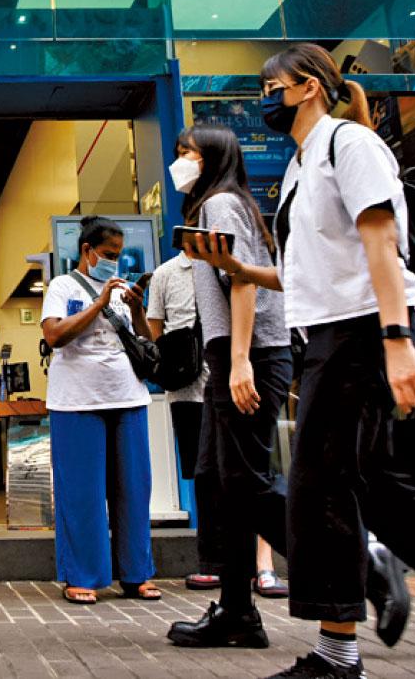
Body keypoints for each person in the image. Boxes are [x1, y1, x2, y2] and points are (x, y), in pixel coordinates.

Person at [190, 42, 415, 679]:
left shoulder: (351, 144)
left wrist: (397, 339)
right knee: (372, 485)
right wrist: (235, 267)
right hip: (327, 337)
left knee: (319, 486)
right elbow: (301, 275)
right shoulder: (299, 167)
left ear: (309, 86)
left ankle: (338, 655)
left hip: (364, 330)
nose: (264, 100)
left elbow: (381, 242)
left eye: (271, 88)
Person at [164, 123, 294, 650]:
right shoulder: (213, 207)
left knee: (244, 482)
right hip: (233, 354)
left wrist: (239, 361)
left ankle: (352, 564)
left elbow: (242, 280)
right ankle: (237, 610)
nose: (179, 162)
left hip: (251, 353)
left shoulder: (220, 204)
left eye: (188, 153)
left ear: (213, 158)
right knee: (219, 480)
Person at [40, 215, 159, 606]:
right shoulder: (62, 286)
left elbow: (146, 341)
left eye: (119, 254)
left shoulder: (121, 290)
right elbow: (54, 335)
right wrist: (99, 304)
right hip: (77, 400)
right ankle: (83, 575)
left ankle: (136, 574)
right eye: (108, 254)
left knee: (134, 490)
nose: (114, 261)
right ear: (87, 250)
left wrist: (136, 309)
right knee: (82, 492)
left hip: (128, 396)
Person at [146, 246, 221, 591]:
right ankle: (212, 560)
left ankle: (249, 561)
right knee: (201, 474)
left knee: (235, 471)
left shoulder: (224, 265)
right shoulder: (165, 274)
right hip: (187, 388)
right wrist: (172, 360)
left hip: (227, 379)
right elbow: (155, 325)